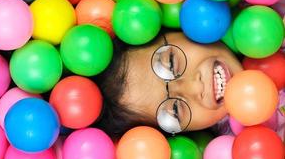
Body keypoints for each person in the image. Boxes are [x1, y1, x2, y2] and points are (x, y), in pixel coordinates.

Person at [94, 31, 244, 138]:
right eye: (175, 110)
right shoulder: (234, 145)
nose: (196, 87)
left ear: (172, 29)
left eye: (171, 63)